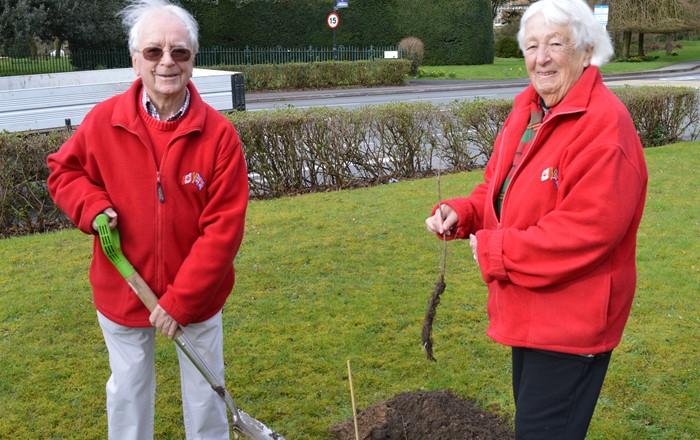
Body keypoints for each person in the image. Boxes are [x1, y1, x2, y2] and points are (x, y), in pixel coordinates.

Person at [425, 0, 648, 438]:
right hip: (531, 313)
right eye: (531, 45)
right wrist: (464, 212)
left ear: (586, 51)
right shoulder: (529, 112)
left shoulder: (604, 128)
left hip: (571, 322)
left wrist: (497, 250)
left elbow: (586, 231)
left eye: (555, 43)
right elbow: (497, 187)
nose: (541, 57)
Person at [47, 0, 248, 438]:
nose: (167, 63)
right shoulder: (103, 121)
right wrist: (90, 205)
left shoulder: (220, 136)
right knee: (129, 395)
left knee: (206, 398)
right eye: (154, 52)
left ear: (193, 61)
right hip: (123, 289)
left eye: (180, 52)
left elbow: (224, 231)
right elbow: (64, 171)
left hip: (197, 298)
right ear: (135, 59)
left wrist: (182, 301)